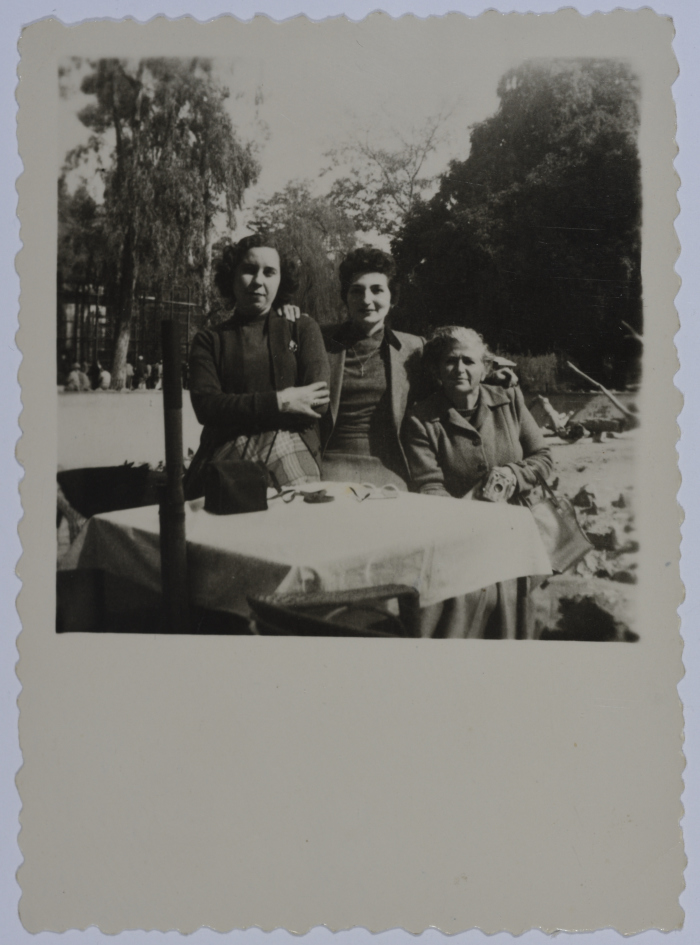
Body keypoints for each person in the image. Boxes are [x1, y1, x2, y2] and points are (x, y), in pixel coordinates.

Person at [402, 326, 553, 638]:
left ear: (485, 368)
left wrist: (514, 474)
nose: (460, 369)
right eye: (450, 361)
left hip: (518, 520)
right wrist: (467, 516)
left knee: (516, 594)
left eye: (469, 362)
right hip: (457, 527)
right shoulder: (421, 419)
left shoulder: (509, 400)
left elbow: (543, 457)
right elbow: (429, 487)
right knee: (464, 593)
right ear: (436, 370)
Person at [185, 234, 331, 499]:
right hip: (225, 449)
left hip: (292, 445)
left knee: (298, 519)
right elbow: (207, 407)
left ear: (280, 280)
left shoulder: (302, 328)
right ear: (232, 276)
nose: (258, 281)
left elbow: (318, 402)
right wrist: (282, 401)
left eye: (269, 272)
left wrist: (236, 408)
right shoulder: (210, 339)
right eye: (249, 270)